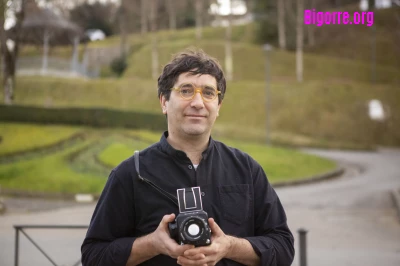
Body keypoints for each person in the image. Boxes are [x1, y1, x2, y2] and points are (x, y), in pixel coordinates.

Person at [81, 49, 294, 266]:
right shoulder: (131, 174)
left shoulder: (246, 169)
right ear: (164, 101)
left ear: (218, 106)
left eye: (209, 93)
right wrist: (152, 244)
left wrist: (229, 246)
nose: (198, 103)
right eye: (186, 90)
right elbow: (93, 256)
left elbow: (283, 247)